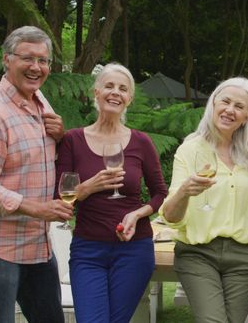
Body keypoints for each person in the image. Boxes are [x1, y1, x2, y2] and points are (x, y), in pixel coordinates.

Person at [0, 25, 70, 323]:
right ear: (7, 60)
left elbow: (36, 160)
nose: (37, 67)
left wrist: (60, 139)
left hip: (37, 245)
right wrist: (36, 207)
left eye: (43, 60)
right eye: (28, 58)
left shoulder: (40, 101)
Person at [55, 63, 168, 322]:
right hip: (88, 250)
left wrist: (137, 215)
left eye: (122, 88)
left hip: (134, 250)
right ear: (96, 92)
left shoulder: (141, 142)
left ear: (129, 98)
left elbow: (160, 193)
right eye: (109, 86)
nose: (115, 92)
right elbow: (59, 197)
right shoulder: (73, 140)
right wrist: (88, 187)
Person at [159, 77, 248, 323]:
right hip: (198, 254)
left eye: (239, 106)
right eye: (225, 101)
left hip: (247, 256)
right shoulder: (190, 150)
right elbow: (171, 217)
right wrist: (184, 192)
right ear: (213, 104)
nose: (230, 110)